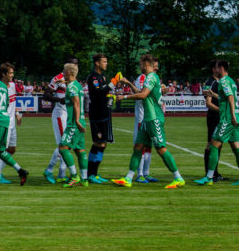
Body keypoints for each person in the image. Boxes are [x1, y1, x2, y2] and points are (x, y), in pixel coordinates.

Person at [114, 54, 185, 189]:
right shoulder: (150, 77)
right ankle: (128, 178)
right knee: (138, 148)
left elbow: (143, 95)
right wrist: (128, 85)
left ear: (146, 63)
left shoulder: (151, 77)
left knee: (161, 148)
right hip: (147, 119)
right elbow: (141, 93)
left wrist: (123, 97)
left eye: (141, 63)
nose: (139, 66)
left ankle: (178, 177)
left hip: (154, 119)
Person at [196, 60, 239, 186]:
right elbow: (225, 97)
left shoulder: (224, 81)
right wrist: (213, 94)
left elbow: (230, 97)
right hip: (235, 119)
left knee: (213, 145)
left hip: (227, 119)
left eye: (216, 68)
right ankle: (210, 176)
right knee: (236, 148)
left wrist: (231, 116)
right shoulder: (230, 80)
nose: (215, 71)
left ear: (220, 68)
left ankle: (209, 177)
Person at [86, 54, 122, 184]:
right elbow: (97, 93)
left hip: (104, 114)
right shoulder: (93, 77)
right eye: (104, 61)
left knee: (103, 143)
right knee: (98, 142)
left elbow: (103, 93)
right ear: (97, 63)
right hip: (97, 115)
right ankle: (90, 174)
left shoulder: (102, 77)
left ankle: (94, 174)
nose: (106, 63)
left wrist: (110, 96)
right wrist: (113, 83)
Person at [42, 58, 78, 183]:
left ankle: (60, 173)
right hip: (60, 114)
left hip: (69, 115)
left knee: (66, 145)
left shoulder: (73, 79)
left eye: (76, 64)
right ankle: (52, 171)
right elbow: (46, 95)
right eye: (73, 64)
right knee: (64, 144)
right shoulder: (58, 79)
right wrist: (59, 100)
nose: (75, 67)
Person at [56, 63, 89, 188]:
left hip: (74, 124)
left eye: (64, 71)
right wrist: (64, 81)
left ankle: (75, 176)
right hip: (80, 121)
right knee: (80, 151)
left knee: (63, 148)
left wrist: (76, 121)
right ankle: (84, 179)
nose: (63, 73)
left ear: (69, 72)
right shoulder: (77, 85)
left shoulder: (71, 87)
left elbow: (76, 103)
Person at [0, 63, 22, 184]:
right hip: (3, 122)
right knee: (2, 149)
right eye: (10, 73)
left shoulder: (12, 85)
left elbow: (13, 101)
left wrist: (17, 114)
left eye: (12, 73)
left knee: (12, 148)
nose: (12, 75)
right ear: (3, 74)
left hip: (12, 123)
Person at [202, 59, 226, 181]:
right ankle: (210, 174)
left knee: (217, 145)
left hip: (219, 117)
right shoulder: (210, 82)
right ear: (214, 69)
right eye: (218, 67)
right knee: (211, 145)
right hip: (213, 117)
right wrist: (221, 110)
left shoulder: (220, 81)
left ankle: (214, 173)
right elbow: (208, 103)